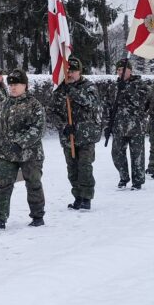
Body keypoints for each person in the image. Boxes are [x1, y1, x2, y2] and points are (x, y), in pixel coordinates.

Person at [0, 70, 46, 228]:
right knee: (3, 185)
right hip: (6, 152)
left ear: (25, 85)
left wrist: (20, 143)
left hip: (29, 153)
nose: (13, 88)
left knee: (33, 184)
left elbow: (38, 129)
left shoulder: (34, 104)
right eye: (10, 85)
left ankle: (37, 216)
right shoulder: (3, 104)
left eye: (16, 84)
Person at [49, 55, 101, 210]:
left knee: (84, 166)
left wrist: (72, 91)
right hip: (68, 137)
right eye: (68, 71)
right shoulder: (60, 90)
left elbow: (90, 103)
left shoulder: (89, 87)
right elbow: (51, 112)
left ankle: (87, 197)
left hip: (86, 136)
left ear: (80, 72)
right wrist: (64, 125)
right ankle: (77, 196)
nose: (70, 74)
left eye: (73, 71)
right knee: (72, 169)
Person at [105, 58, 149, 189]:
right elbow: (108, 106)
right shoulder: (113, 86)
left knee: (137, 155)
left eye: (123, 70)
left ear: (130, 70)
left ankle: (138, 181)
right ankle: (123, 177)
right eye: (118, 70)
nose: (120, 72)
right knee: (117, 154)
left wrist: (127, 90)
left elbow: (142, 103)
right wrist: (107, 125)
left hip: (136, 126)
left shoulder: (140, 84)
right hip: (118, 126)